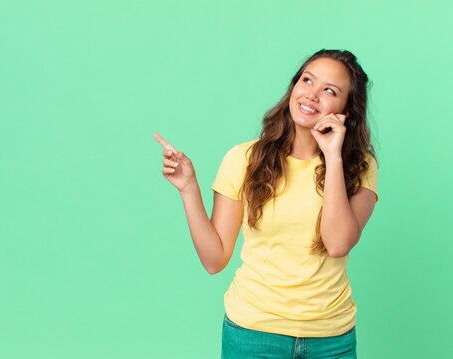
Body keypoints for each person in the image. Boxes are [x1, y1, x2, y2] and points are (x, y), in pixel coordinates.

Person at [153, 49, 378, 359]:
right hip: (253, 333)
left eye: (329, 90)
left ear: (347, 111)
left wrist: (333, 156)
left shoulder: (359, 165)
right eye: (307, 80)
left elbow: (338, 243)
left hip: (331, 338)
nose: (311, 94)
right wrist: (189, 188)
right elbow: (214, 260)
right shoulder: (244, 159)